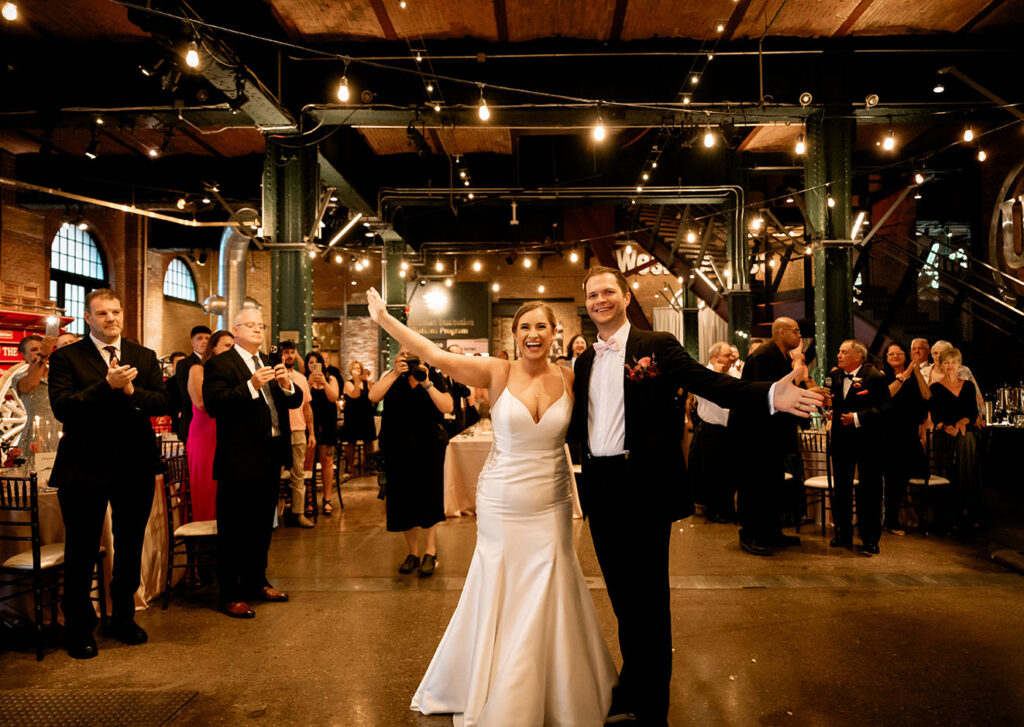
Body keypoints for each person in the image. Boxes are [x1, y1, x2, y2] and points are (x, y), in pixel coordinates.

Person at [567, 266, 823, 725]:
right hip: (600, 488)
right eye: (592, 295)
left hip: (643, 486)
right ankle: (632, 685)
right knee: (622, 596)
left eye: (608, 291)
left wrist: (769, 396)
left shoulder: (655, 347)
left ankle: (652, 707)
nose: (600, 300)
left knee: (649, 598)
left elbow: (711, 383)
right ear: (585, 303)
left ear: (625, 297)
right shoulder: (584, 360)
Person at [365, 287, 617, 726]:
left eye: (542, 326)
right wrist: (385, 320)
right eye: (525, 327)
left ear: (556, 333)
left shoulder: (571, 376)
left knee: (553, 579)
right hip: (503, 500)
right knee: (502, 581)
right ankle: (499, 682)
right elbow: (433, 353)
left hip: (552, 498)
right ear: (515, 334)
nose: (533, 334)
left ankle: (559, 687)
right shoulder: (496, 372)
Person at [48, 288, 171, 659]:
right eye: (102, 313)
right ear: (88, 318)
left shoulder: (143, 356)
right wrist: (106, 387)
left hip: (134, 463)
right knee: (82, 549)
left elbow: (163, 402)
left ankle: (122, 618)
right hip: (84, 465)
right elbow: (63, 407)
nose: (111, 319)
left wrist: (131, 390)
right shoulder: (67, 357)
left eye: (116, 312)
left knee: (130, 545)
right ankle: (80, 627)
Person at [202, 308, 302, 619]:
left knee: (262, 526)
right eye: (251, 325)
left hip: (271, 454)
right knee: (235, 529)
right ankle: (230, 594)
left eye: (261, 325)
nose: (258, 330)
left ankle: (257, 581)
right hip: (239, 457)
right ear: (235, 329)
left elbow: (291, 403)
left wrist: (286, 385)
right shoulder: (221, 363)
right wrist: (250, 386)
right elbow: (215, 405)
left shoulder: (268, 364)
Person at [368, 347, 452, 577]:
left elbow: (447, 406)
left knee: (429, 497)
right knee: (402, 500)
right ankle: (412, 553)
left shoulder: (432, 376)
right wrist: (394, 373)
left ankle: (430, 551)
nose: (408, 358)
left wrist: (427, 383)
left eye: (413, 354)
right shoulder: (393, 376)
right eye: (404, 353)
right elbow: (373, 396)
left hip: (428, 448)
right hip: (397, 449)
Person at [729, 317, 807, 556]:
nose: (799, 336)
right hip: (756, 435)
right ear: (780, 332)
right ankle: (750, 534)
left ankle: (772, 531)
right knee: (756, 487)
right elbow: (760, 395)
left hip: (773, 436)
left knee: (773, 486)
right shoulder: (762, 356)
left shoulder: (783, 357)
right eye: (795, 331)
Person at [827, 339, 892, 555]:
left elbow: (885, 409)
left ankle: (870, 538)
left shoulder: (874, 377)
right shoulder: (835, 376)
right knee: (841, 489)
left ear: (858, 356)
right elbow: (833, 404)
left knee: (870, 490)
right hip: (841, 441)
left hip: (868, 442)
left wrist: (856, 417)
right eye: (839, 351)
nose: (839, 355)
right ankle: (841, 533)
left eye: (844, 352)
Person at [929, 347, 983, 533]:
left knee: (966, 440)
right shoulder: (935, 388)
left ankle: (964, 510)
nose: (950, 366)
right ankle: (958, 512)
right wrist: (946, 426)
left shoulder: (968, 386)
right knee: (961, 444)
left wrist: (962, 422)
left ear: (960, 365)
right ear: (941, 365)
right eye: (946, 362)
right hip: (945, 433)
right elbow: (936, 415)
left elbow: (973, 412)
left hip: (964, 430)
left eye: (954, 362)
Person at [881, 342, 930, 535]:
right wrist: (908, 371)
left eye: (899, 353)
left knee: (921, 472)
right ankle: (891, 520)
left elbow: (927, 396)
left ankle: (921, 517)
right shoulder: (883, 377)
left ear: (905, 355)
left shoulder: (913, 376)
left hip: (909, 432)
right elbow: (887, 396)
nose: (895, 356)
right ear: (886, 358)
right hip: (890, 433)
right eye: (891, 354)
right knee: (894, 475)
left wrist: (916, 372)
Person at [185, 330, 235, 522]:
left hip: (227, 433)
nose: (231, 350)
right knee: (206, 485)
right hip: (205, 434)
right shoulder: (198, 370)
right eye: (227, 346)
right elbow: (201, 403)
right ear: (213, 349)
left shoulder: (232, 372)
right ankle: (204, 535)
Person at [688, 341, 737, 523]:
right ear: (716, 357)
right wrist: (716, 375)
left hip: (728, 429)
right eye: (727, 355)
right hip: (710, 431)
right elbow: (705, 395)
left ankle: (728, 508)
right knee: (712, 472)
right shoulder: (704, 374)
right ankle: (714, 510)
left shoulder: (731, 373)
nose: (731, 358)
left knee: (728, 473)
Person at [279, 341, 316, 528]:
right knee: (274, 475)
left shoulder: (301, 378)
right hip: (278, 432)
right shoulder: (273, 376)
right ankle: (273, 517)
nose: (290, 356)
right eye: (286, 352)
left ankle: (299, 512)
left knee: (298, 475)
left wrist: (311, 433)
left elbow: (307, 407)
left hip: (299, 429)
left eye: (292, 352)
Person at [304, 351, 341, 514]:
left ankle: (327, 498)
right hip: (309, 425)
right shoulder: (303, 380)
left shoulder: (331, 379)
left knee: (327, 461)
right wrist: (309, 384)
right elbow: (302, 401)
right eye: (310, 363)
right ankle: (309, 500)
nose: (313, 366)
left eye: (316, 362)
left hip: (327, 425)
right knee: (308, 464)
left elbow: (334, 397)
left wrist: (324, 383)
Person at [13, 334, 59, 453]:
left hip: (61, 429)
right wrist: (43, 356)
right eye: (34, 350)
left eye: (41, 349)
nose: (39, 352)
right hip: (37, 432)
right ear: (23, 355)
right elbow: (32, 383)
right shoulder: (19, 377)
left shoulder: (58, 374)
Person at [173, 325, 211, 444]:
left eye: (207, 338)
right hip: (192, 419)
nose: (204, 341)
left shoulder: (214, 363)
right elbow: (185, 393)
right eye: (200, 338)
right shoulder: (184, 363)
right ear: (192, 342)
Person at [340, 360, 378, 478]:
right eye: (355, 368)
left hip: (366, 415)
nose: (358, 370)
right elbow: (355, 394)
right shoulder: (348, 383)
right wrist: (357, 381)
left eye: (359, 368)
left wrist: (369, 383)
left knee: (369, 441)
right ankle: (350, 466)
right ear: (351, 371)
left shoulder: (367, 382)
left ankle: (370, 465)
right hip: (352, 416)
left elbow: (373, 398)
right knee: (351, 442)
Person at [444, 344, 473, 436]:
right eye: (454, 355)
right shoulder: (441, 372)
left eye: (460, 355)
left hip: (458, 418)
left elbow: (467, 393)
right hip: (444, 420)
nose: (458, 358)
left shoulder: (460, 374)